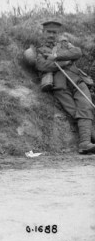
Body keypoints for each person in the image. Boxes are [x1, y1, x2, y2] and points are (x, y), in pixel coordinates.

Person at [34, 20, 95, 155]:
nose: (51, 35)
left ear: (58, 34)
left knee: (86, 107)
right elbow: (41, 66)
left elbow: (77, 52)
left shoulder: (65, 45)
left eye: (54, 32)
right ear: (43, 33)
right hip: (60, 87)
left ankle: (85, 143)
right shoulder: (40, 49)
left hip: (78, 81)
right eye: (48, 32)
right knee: (74, 112)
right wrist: (63, 63)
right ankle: (86, 142)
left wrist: (56, 56)